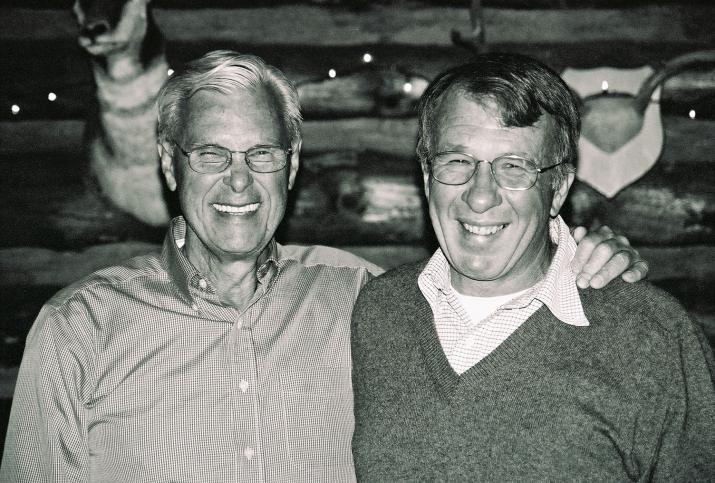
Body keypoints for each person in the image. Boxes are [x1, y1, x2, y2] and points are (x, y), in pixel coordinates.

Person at [2, 51, 647, 482]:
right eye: (210, 155)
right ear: (170, 165)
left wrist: (585, 255)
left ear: (294, 163)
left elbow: (492, 281)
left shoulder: (365, 296)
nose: (239, 184)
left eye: (262, 154)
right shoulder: (78, 327)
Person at [350, 52, 715, 481]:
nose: (480, 196)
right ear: (428, 177)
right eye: (456, 161)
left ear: (557, 188)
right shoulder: (377, 310)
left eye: (514, 167)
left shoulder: (650, 335)